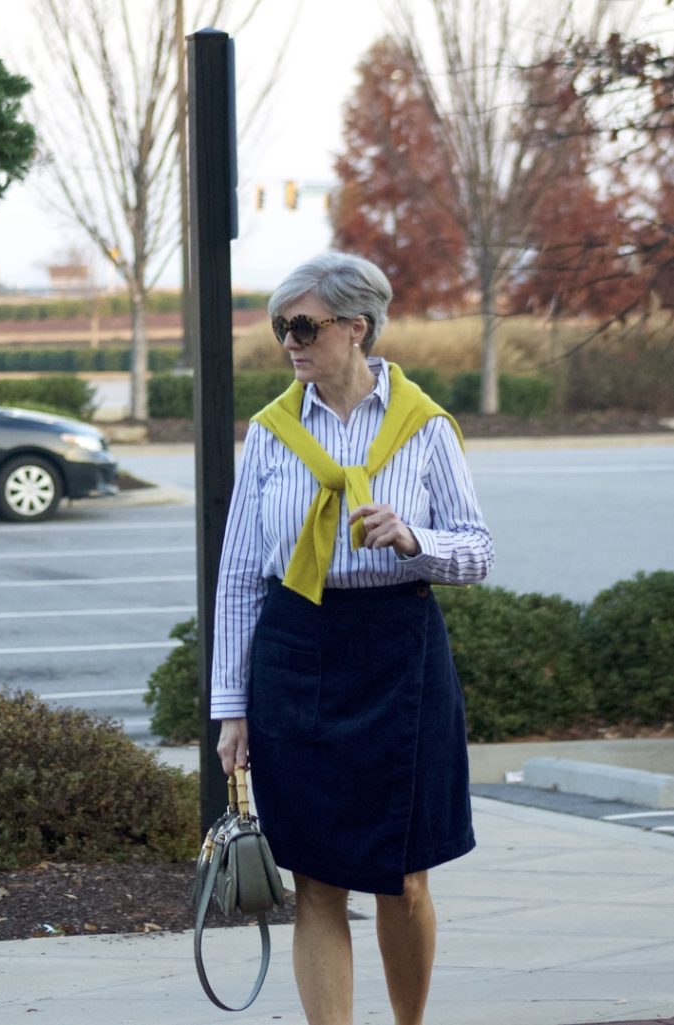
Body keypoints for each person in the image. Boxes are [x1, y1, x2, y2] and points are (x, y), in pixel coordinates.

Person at [212, 251, 494, 1025]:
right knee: (317, 883)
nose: (288, 342)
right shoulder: (269, 435)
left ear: (355, 327)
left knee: (401, 878)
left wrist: (414, 539)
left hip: (397, 650)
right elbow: (240, 576)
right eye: (280, 328)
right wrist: (230, 709)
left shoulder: (425, 428)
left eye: (302, 325)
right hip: (295, 653)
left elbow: (477, 549)